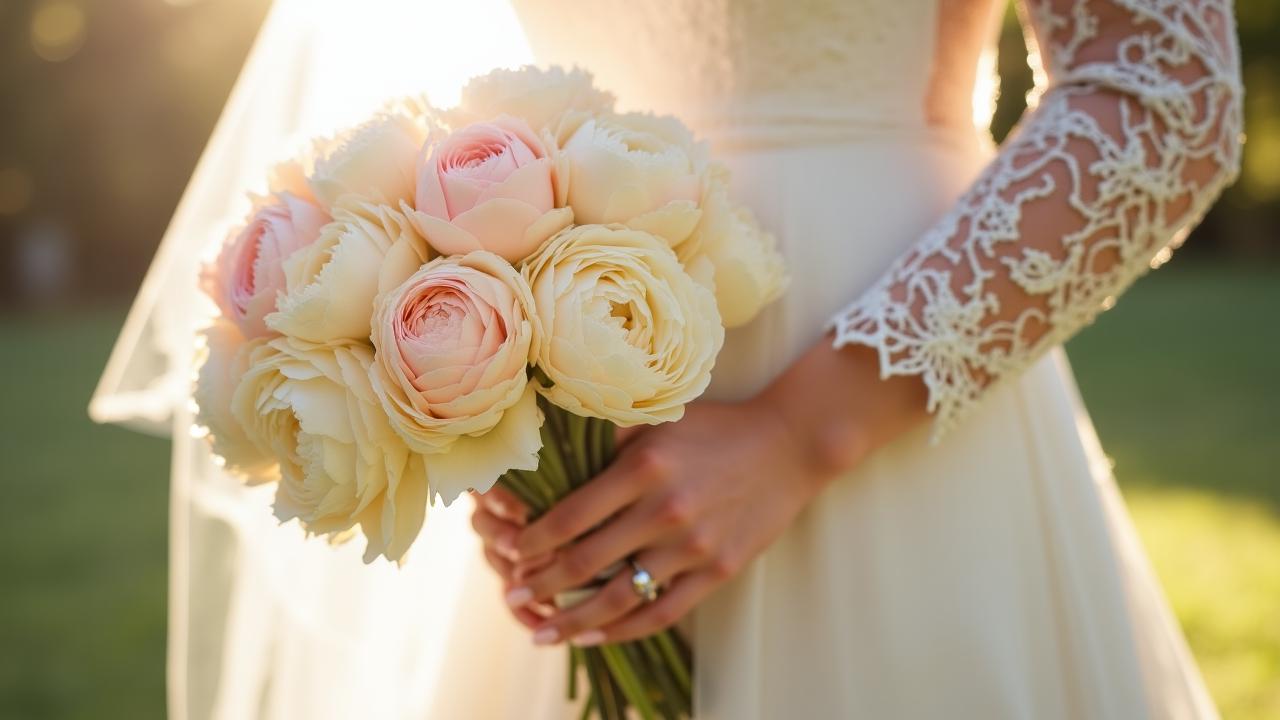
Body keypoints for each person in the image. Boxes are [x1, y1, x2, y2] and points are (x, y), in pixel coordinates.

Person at [95, 0, 1242, 717]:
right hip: (585, 423)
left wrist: (801, 429)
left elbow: (1167, 95)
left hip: (894, 399)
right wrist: (492, 413)